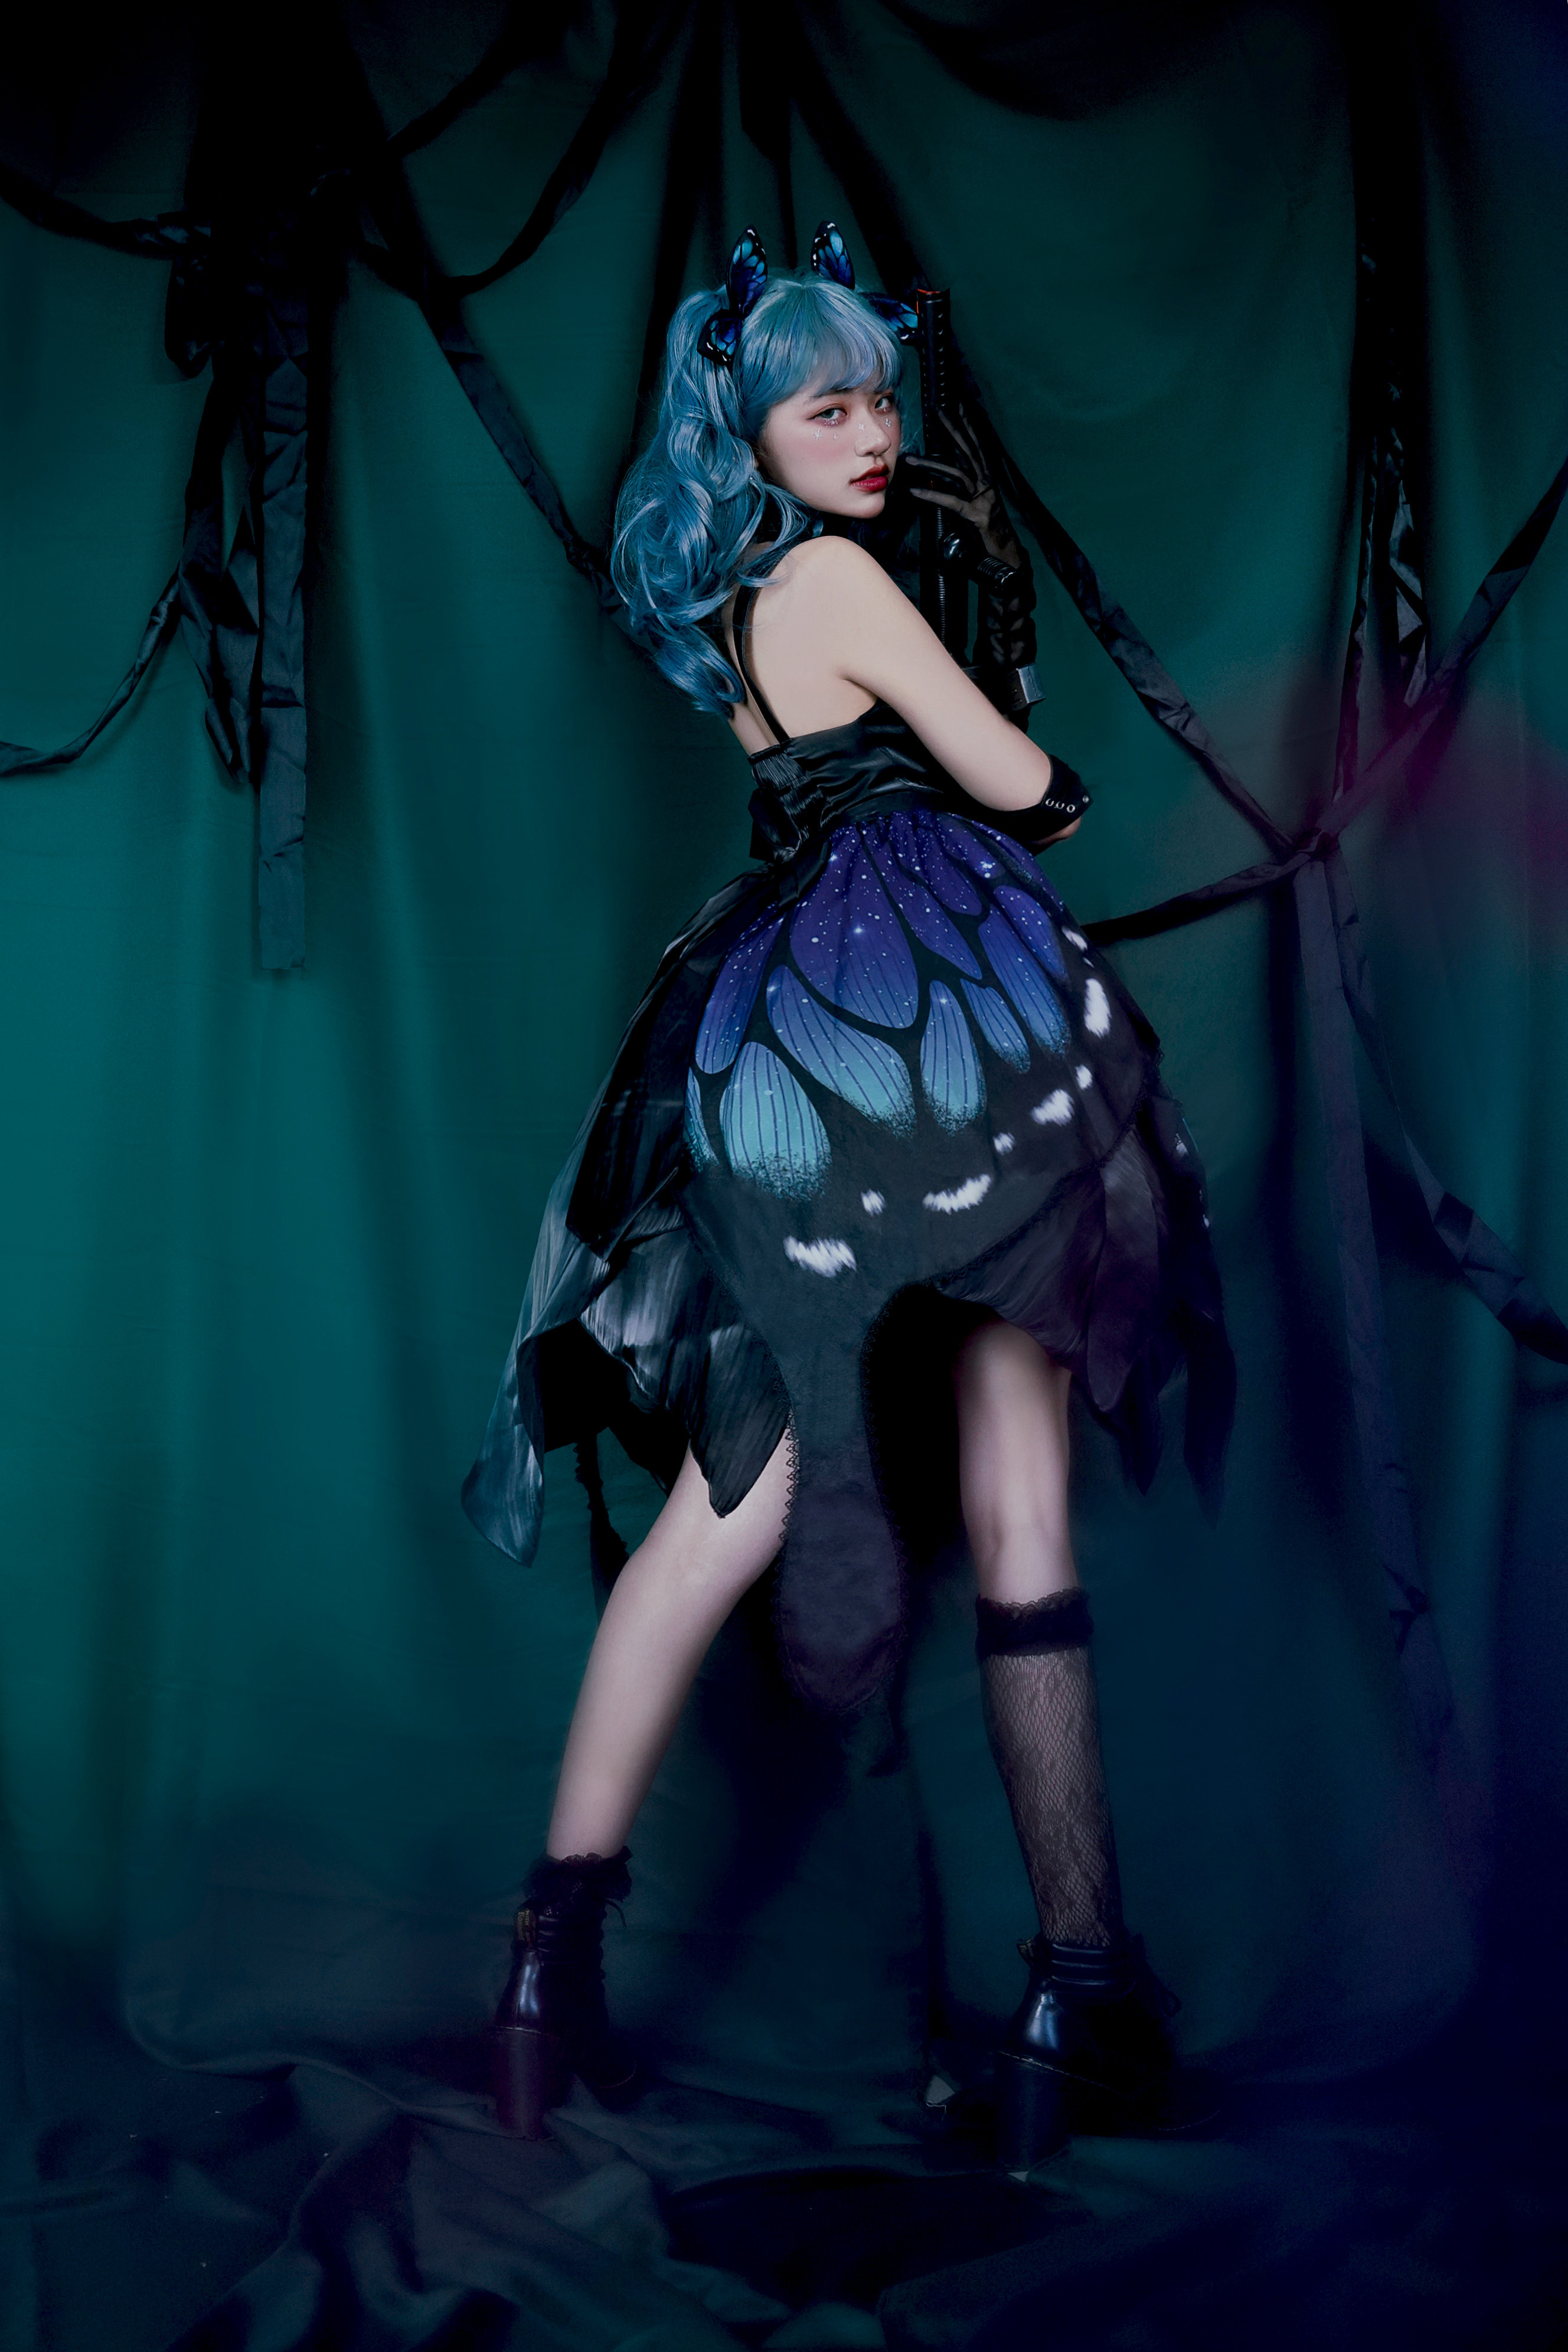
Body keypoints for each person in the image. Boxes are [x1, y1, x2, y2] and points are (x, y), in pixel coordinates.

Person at [463, 227, 1233, 2170]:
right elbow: (1022, 782)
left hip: (780, 1025)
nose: (873, 433)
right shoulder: (840, 579)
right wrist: (1031, 758)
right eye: (829, 407)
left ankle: (546, 1972)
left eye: (880, 399)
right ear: (752, 431)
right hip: (938, 1018)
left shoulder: (728, 603)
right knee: (1019, 1480)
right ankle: (1078, 1990)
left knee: (733, 1503)